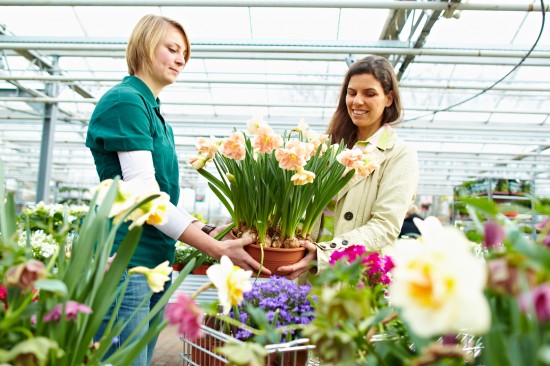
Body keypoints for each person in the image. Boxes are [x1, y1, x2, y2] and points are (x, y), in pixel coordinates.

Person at [85, 14, 268, 365]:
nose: (181, 59)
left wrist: (207, 229)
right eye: (172, 49)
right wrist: (213, 247)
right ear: (144, 45)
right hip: (126, 262)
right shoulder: (125, 101)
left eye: (185, 53)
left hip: (154, 262)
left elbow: (163, 196)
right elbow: (144, 196)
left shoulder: (153, 111)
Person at [278, 55, 419, 279]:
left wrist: (325, 253)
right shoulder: (328, 147)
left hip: (356, 276)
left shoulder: (399, 154)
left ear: (389, 99)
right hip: (311, 274)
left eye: (369, 94)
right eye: (351, 93)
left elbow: (385, 226)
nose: (357, 101)